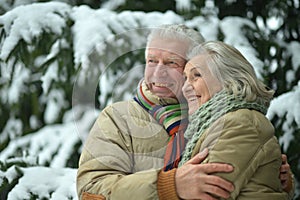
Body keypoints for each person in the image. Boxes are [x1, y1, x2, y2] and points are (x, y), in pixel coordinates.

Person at [76, 25, 294, 200]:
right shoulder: (117, 117)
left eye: (171, 63)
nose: (158, 71)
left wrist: (275, 178)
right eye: (151, 61)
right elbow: (91, 191)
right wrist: (168, 186)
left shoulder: (221, 115)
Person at [179, 40, 295, 199]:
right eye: (185, 78)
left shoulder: (239, 123)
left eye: (196, 76)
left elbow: (206, 194)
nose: (185, 88)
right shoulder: (218, 123)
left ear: (228, 79)